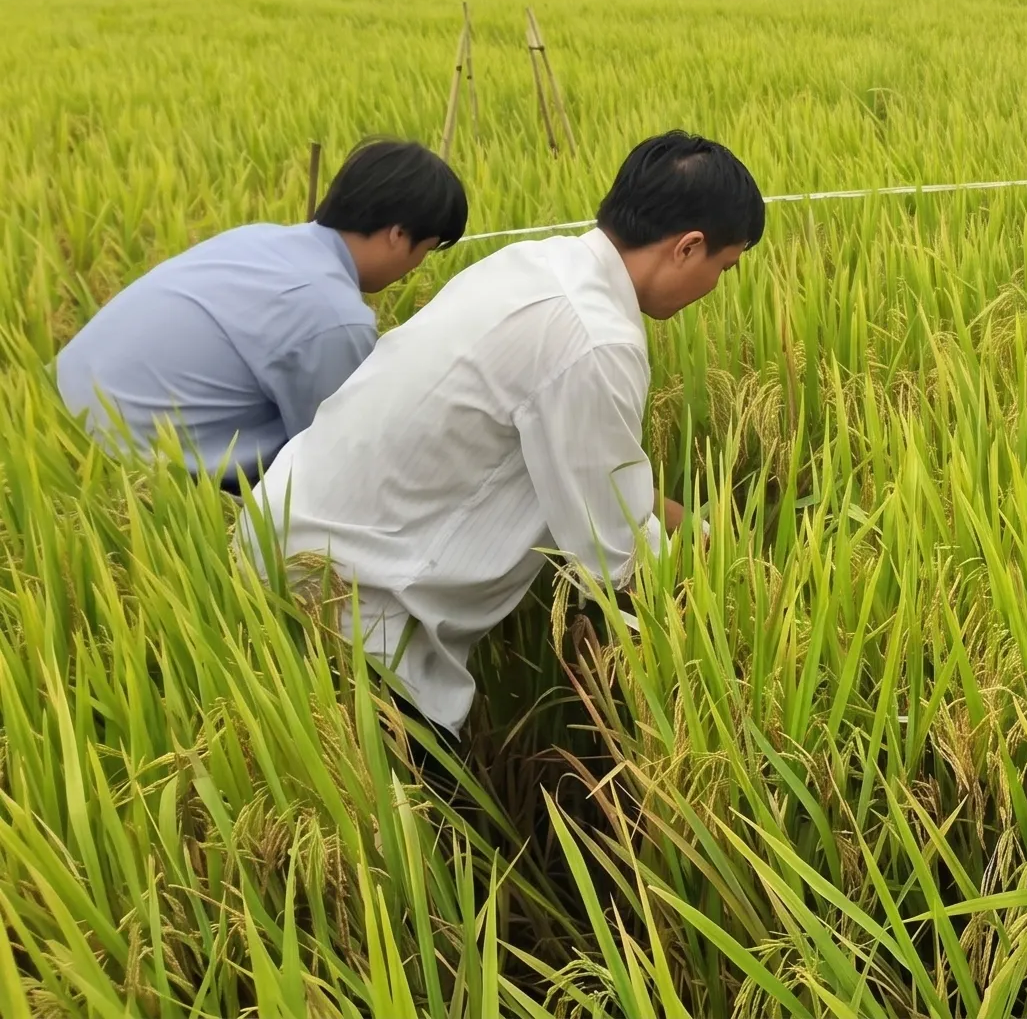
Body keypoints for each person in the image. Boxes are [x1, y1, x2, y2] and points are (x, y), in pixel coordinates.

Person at [237, 130, 764, 752]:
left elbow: (617, 488)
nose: (716, 288)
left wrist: (711, 532)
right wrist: (741, 591)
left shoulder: (534, 264)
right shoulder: (596, 339)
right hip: (351, 604)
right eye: (723, 269)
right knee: (414, 830)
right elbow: (613, 550)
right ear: (689, 247)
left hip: (279, 532)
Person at [54, 139, 467, 488]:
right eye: (426, 251)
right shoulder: (333, 317)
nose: (416, 267)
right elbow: (339, 457)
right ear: (398, 235)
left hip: (61, 409)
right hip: (131, 470)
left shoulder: (257, 238)